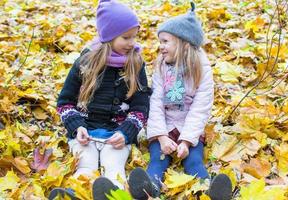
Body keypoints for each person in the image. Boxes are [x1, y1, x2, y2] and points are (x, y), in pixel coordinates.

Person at [127, 2, 232, 200]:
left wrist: (186, 140)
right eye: (161, 42)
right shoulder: (161, 65)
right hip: (165, 125)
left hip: (189, 126)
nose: (161, 47)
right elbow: (155, 102)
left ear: (184, 43)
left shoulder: (202, 69)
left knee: (193, 162)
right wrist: (161, 136)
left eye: (166, 41)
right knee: (158, 161)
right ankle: (149, 189)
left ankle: (209, 190)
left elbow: (200, 109)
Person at [48, 0, 150, 199]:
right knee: (86, 165)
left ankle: (113, 194)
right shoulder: (86, 62)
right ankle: (74, 195)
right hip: (85, 133)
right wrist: (77, 127)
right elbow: (65, 102)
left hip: (116, 136)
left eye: (134, 37)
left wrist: (127, 131)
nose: (132, 43)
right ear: (109, 37)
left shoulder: (135, 63)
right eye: (126, 37)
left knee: (114, 167)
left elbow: (141, 105)